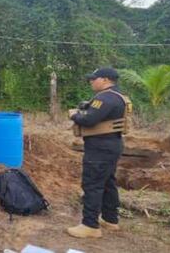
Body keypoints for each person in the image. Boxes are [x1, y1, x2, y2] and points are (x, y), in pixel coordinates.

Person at [67, 68, 132, 239]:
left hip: (100, 148)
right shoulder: (118, 96)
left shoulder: (106, 97)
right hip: (111, 144)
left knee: (92, 184)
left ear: (105, 80)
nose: (91, 81)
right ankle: (110, 219)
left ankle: (90, 225)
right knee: (108, 182)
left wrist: (74, 115)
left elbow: (89, 120)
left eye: (93, 79)